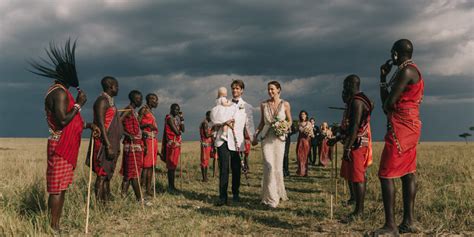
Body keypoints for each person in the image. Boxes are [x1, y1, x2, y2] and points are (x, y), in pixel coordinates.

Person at [30, 39, 99, 231]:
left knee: (61, 187)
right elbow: (62, 121)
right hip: (60, 145)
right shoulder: (59, 93)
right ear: (65, 76)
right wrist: (79, 104)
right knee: (57, 188)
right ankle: (53, 227)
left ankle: (55, 224)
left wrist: (88, 125)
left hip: (62, 143)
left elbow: (71, 122)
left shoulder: (59, 91)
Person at [375, 39, 424, 235]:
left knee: (386, 174)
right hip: (409, 124)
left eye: (392, 52)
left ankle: (391, 226)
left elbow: (388, 103)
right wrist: (382, 78)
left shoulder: (406, 71)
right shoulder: (406, 71)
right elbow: (386, 101)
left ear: (395, 53)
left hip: (401, 126)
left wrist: (387, 100)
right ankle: (409, 222)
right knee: (407, 172)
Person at [212, 80, 255, 206]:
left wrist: (253, 138)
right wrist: (223, 123)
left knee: (236, 169)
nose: (235, 91)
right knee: (224, 168)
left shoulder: (247, 106)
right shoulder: (224, 103)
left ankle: (235, 194)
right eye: (233, 88)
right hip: (223, 139)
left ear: (242, 90)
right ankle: (222, 196)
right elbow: (214, 118)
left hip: (237, 141)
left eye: (237, 88)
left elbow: (249, 125)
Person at [339, 75, 374, 221]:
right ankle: (356, 205)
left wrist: (347, 147)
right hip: (356, 141)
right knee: (354, 176)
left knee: (358, 177)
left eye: (345, 85)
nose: (344, 88)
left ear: (350, 84)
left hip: (357, 143)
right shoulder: (358, 100)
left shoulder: (357, 102)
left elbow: (354, 127)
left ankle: (359, 211)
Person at [253, 81, 292, 208]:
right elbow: (261, 122)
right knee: (268, 167)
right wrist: (255, 135)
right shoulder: (264, 104)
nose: (270, 91)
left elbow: (290, 120)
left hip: (279, 140)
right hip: (266, 139)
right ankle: (271, 199)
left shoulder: (285, 104)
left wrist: (285, 127)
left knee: (277, 167)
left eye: (272, 89)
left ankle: (277, 192)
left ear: (279, 90)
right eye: (268, 89)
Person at [89, 76, 123, 203]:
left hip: (111, 142)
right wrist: (108, 145)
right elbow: (101, 124)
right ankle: (99, 205)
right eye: (117, 86)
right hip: (103, 143)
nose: (118, 88)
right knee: (102, 175)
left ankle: (106, 201)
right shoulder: (102, 101)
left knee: (107, 175)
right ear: (111, 86)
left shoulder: (110, 102)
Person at [120, 90, 145, 201]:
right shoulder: (128, 109)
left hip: (135, 145)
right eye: (139, 98)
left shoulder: (133, 112)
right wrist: (127, 134)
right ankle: (140, 199)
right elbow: (118, 122)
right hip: (131, 146)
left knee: (128, 174)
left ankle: (123, 197)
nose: (141, 100)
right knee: (133, 173)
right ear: (134, 99)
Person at [139, 93, 160, 197]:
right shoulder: (143, 110)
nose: (157, 102)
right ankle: (141, 189)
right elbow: (137, 125)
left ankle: (148, 189)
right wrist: (147, 125)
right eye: (155, 100)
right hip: (147, 139)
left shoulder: (150, 111)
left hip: (153, 139)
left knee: (152, 166)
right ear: (150, 100)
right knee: (146, 166)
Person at [161, 104, 185, 193]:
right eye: (175, 110)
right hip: (172, 145)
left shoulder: (176, 119)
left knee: (173, 166)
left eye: (178, 110)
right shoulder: (169, 118)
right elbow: (177, 132)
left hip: (176, 145)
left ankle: (172, 186)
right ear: (171, 109)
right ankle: (171, 187)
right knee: (171, 167)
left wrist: (182, 119)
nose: (177, 111)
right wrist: (179, 131)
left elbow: (183, 130)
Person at [296, 111, 314, 177]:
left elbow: (312, 134)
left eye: (304, 114)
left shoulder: (309, 123)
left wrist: (309, 133)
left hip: (306, 141)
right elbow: (297, 130)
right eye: (301, 115)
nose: (302, 116)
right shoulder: (299, 123)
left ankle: (305, 172)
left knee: (305, 157)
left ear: (306, 115)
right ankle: (300, 171)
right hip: (300, 140)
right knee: (299, 156)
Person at [199, 111, 213, 182]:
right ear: (207, 116)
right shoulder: (205, 123)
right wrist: (213, 133)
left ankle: (205, 178)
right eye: (211, 116)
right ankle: (204, 178)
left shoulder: (207, 123)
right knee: (204, 161)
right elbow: (207, 135)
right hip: (205, 144)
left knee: (206, 161)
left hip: (207, 145)